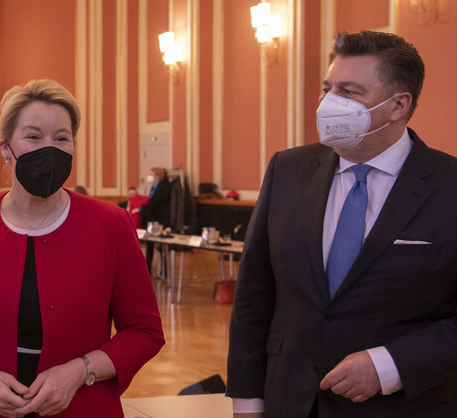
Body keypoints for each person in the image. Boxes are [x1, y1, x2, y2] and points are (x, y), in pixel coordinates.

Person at [227, 30, 457, 417]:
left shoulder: (449, 186)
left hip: (403, 405)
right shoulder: (288, 169)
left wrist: (389, 365)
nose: (329, 103)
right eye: (327, 88)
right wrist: (248, 403)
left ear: (398, 104)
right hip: (291, 401)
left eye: (349, 92)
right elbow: (255, 296)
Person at [0, 79, 164, 417]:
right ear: (5, 147)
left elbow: (144, 331)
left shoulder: (110, 224)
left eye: (62, 138)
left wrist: (80, 371)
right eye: (33, 136)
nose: (50, 148)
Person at [137, 167, 171, 274]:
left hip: (159, 219)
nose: (149, 176)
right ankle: (148, 269)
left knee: (161, 246)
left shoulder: (162, 187)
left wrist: (143, 208)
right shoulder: (154, 186)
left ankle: (163, 271)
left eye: (151, 174)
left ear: (157, 176)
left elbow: (155, 202)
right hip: (152, 219)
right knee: (150, 246)